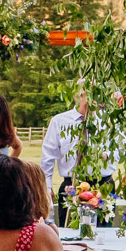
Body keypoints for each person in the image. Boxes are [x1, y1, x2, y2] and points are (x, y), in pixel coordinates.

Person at [38, 95, 91, 224]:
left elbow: (123, 148)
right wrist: (47, 187)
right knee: (67, 232)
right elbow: (48, 158)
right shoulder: (59, 121)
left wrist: (106, 155)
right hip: (70, 186)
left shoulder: (106, 121)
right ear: (77, 97)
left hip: (101, 186)